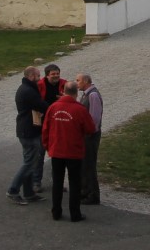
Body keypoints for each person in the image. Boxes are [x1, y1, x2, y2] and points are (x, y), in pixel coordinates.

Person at [42, 80, 97, 222]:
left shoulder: (53, 107)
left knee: (57, 181)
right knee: (74, 182)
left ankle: (56, 211)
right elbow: (90, 128)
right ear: (76, 93)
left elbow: (46, 128)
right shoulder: (79, 109)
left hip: (57, 151)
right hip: (73, 151)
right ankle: (75, 213)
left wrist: (47, 145)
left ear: (64, 91)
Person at [6, 66, 45, 204]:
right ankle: (13, 190)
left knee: (30, 161)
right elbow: (41, 105)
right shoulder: (29, 91)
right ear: (31, 76)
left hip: (25, 130)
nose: (39, 78)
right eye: (37, 76)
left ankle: (28, 193)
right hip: (29, 131)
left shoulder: (25, 88)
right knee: (29, 163)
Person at [76, 73, 104, 204]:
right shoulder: (86, 94)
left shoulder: (92, 95)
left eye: (78, 80)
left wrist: (89, 132)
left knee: (89, 165)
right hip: (86, 135)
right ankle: (85, 191)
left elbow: (95, 118)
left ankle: (93, 195)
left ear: (86, 81)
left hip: (90, 136)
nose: (77, 83)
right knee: (84, 164)